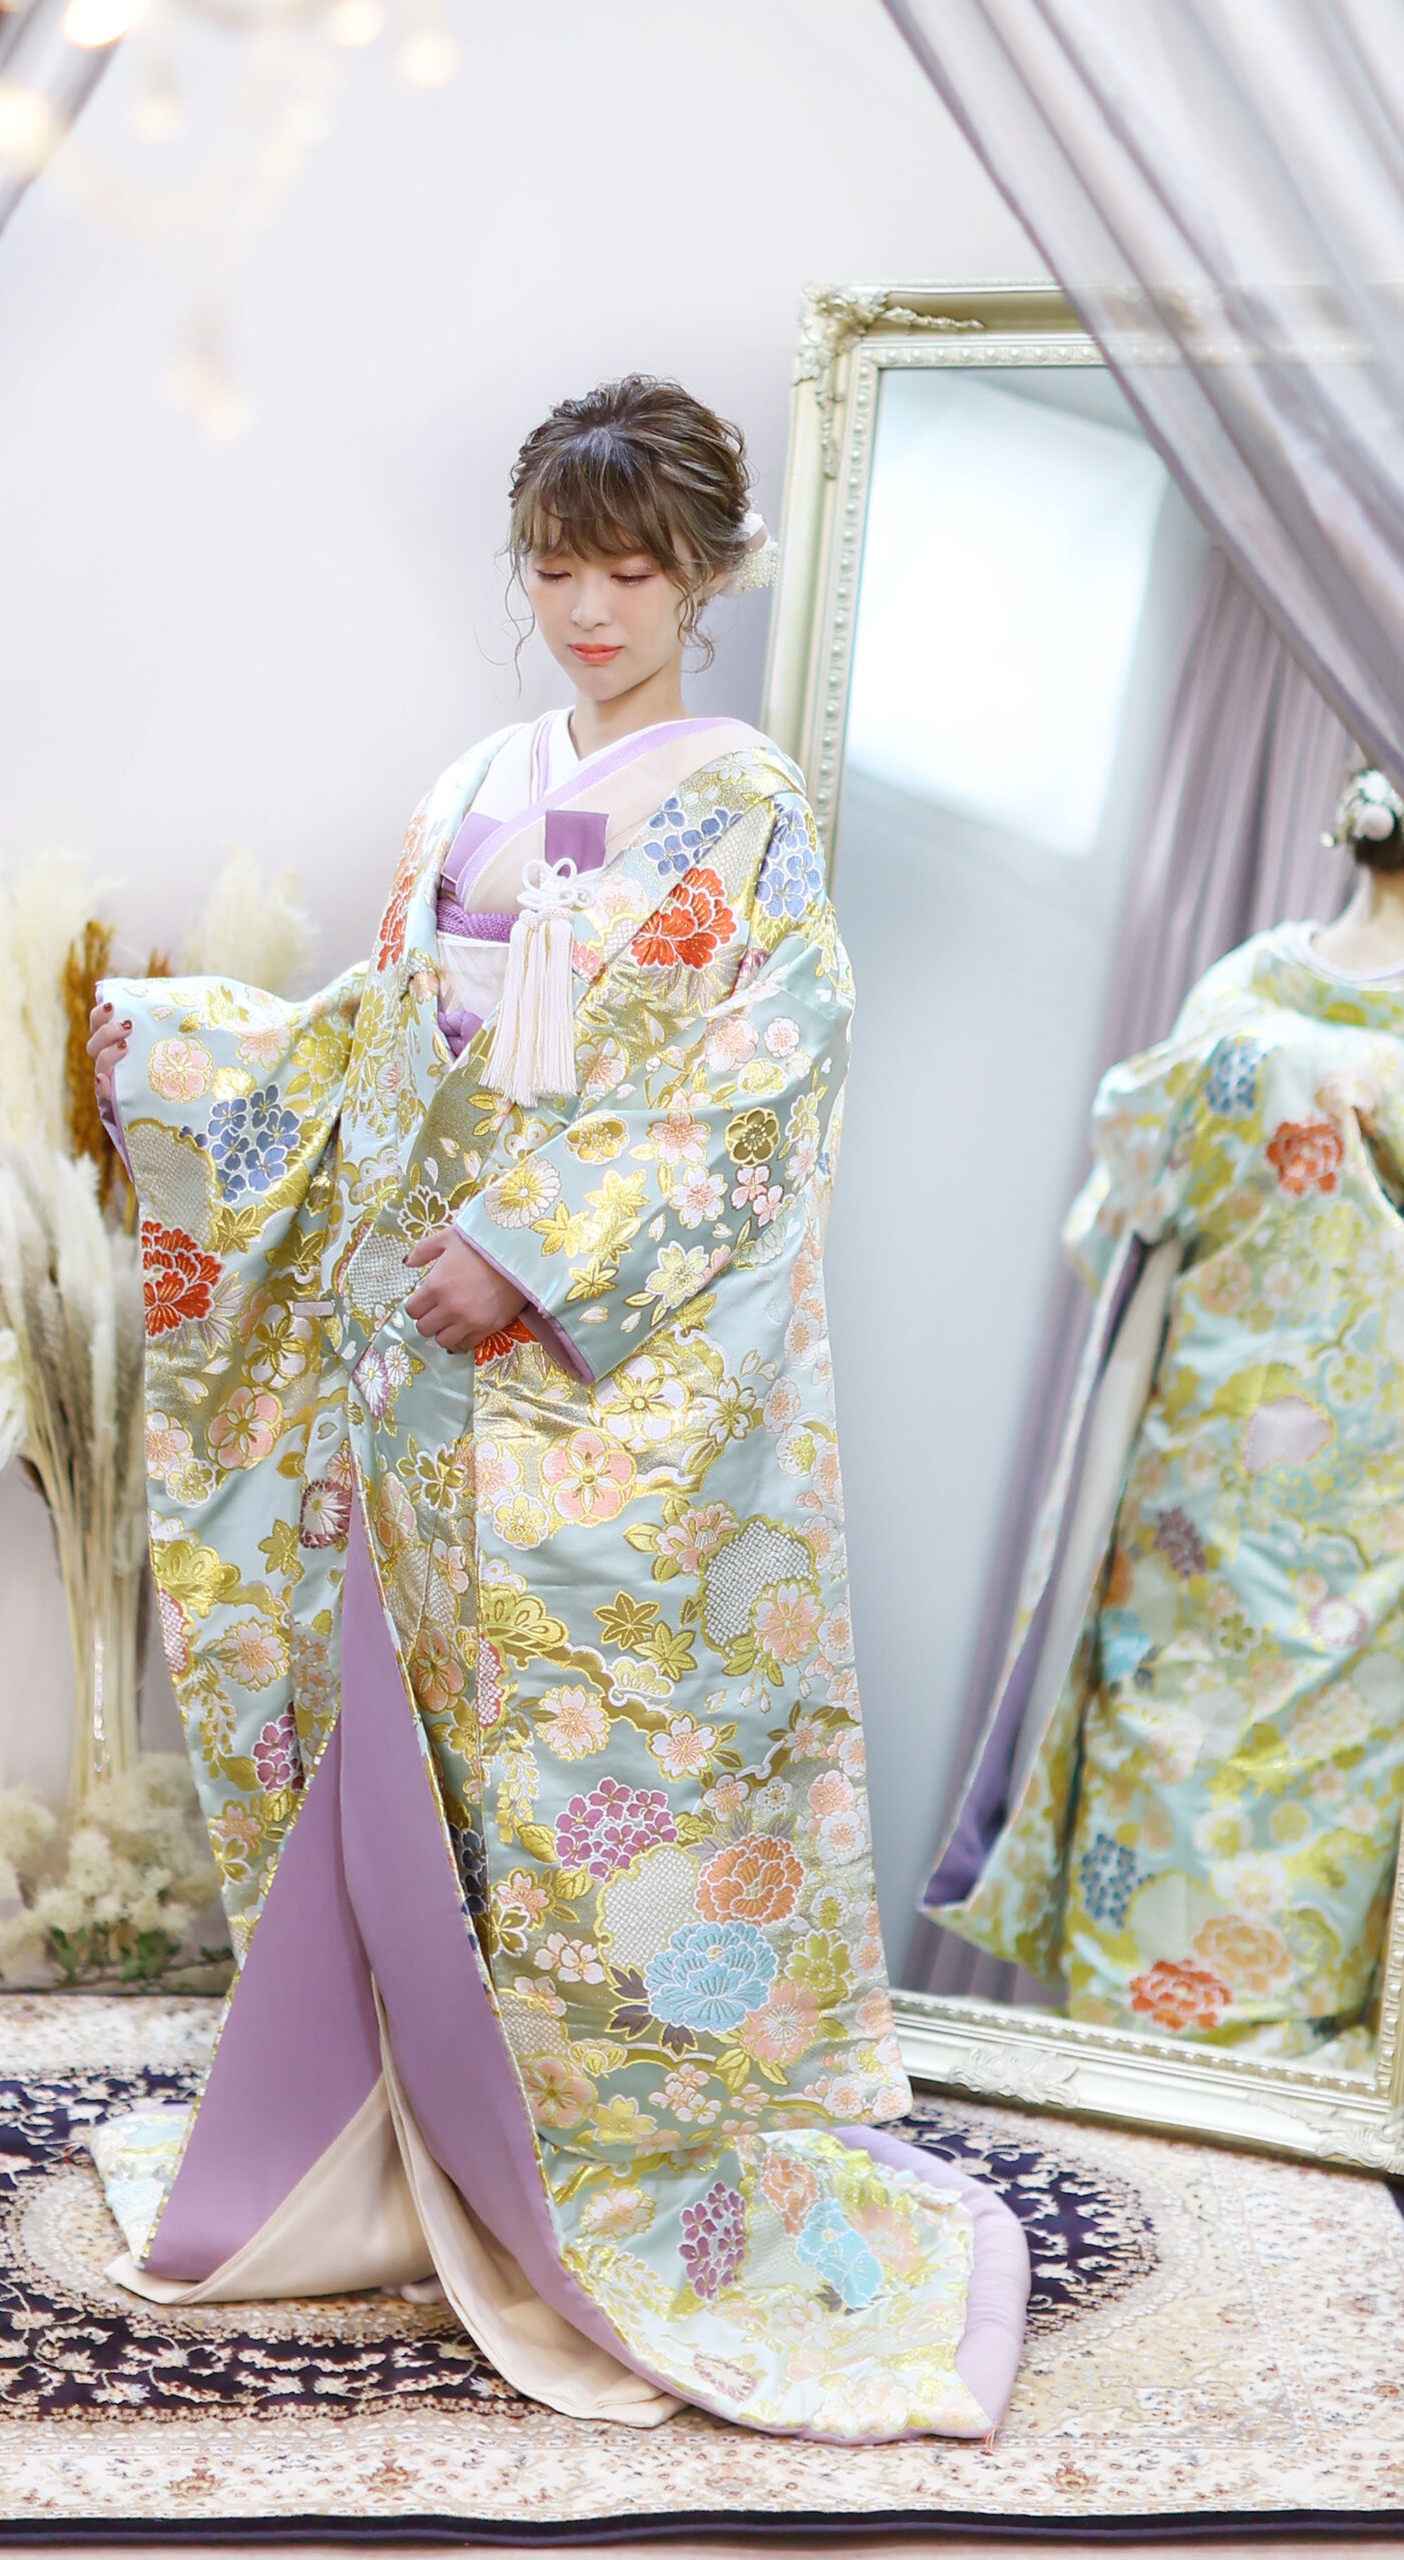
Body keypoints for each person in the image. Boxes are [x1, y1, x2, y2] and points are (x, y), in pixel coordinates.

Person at [86, 377, 1025, 2442]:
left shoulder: (745, 810)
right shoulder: (474, 786)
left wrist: (527, 1249)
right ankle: (433, 2138)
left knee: (614, 1773)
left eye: (630, 572)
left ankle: (614, 2170)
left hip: (602, 1398)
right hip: (430, 1380)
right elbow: (386, 1033)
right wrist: (193, 1060)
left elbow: (752, 1088)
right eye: (554, 566)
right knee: (428, 1755)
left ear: (707, 577)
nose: (588, 610)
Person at [926, 768, 1404, 2063]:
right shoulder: (1252, 983)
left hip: (1334, 1505)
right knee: (1174, 1780)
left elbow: (1119, 1212)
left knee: (1295, 1824)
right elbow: (1133, 1208)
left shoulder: (1248, 997)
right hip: (1222, 1493)